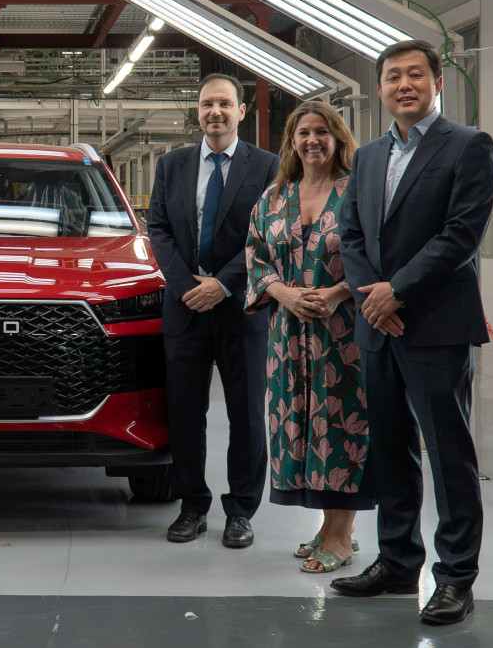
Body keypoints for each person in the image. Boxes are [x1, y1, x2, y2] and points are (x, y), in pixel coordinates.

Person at [331, 39, 493, 626]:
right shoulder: (368, 156)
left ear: (436, 83)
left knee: (448, 454)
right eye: (393, 76)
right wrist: (371, 298)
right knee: (390, 449)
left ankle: (455, 578)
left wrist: (394, 292)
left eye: (416, 75)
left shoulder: (469, 146)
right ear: (379, 88)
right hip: (379, 327)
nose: (405, 84)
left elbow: (461, 235)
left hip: (435, 324)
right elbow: (351, 234)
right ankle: (398, 561)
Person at [147, 73, 280, 548]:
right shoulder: (172, 165)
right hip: (185, 308)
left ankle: (241, 510)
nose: (215, 112)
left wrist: (222, 285)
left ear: (241, 111)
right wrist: (188, 287)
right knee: (185, 413)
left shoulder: (267, 166)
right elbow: (158, 229)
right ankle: (192, 505)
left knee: (247, 415)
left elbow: (266, 235)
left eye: (224, 103)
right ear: (198, 111)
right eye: (207, 104)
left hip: (242, 308)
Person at [244, 101, 372, 573]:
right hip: (287, 336)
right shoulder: (274, 197)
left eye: (322, 131)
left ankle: (341, 535)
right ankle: (329, 526)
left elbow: (376, 255)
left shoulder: (357, 192)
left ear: (338, 138)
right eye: (303, 133)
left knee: (343, 424)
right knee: (303, 424)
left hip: (344, 334)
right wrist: (283, 293)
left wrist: (339, 293)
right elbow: (255, 256)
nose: (312, 140)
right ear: (292, 142)